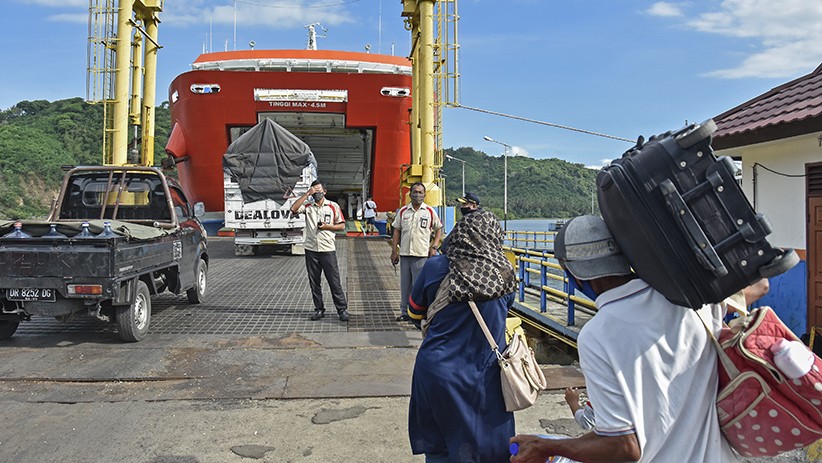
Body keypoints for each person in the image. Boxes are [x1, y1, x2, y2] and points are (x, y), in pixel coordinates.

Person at [510, 215, 737, 463]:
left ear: (574, 274)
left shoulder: (598, 336)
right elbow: (759, 287)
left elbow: (624, 447)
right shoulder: (696, 300)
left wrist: (549, 447)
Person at [406, 207, 518, 463]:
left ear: (459, 233)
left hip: (437, 371)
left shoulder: (435, 267)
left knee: (440, 448)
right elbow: (504, 310)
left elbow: (414, 313)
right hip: (487, 376)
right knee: (492, 446)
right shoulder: (505, 271)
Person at [290, 180, 349, 322]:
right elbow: (294, 209)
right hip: (311, 249)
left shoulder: (333, 206)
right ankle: (319, 309)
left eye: (319, 191)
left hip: (327, 249)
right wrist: (306, 194)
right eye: (314, 191)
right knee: (314, 282)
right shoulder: (308, 207)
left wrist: (327, 227)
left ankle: (342, 310)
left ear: (325, 192)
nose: (316, 193)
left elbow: (341, 226)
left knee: (334, 281)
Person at [390, 182, 442, 322]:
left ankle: (418, 313)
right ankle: (404, 312)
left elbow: (438, 229)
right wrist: (394, 251)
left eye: (420, 192)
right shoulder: (403, 211)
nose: (417, 195)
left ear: (425, 195)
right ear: (410, 194)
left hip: (422, 254)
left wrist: (434, 246)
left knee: (419, 285)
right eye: (415, 192)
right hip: (405, 253)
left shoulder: (430, 212)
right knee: (405, 285)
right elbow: (396, 230)